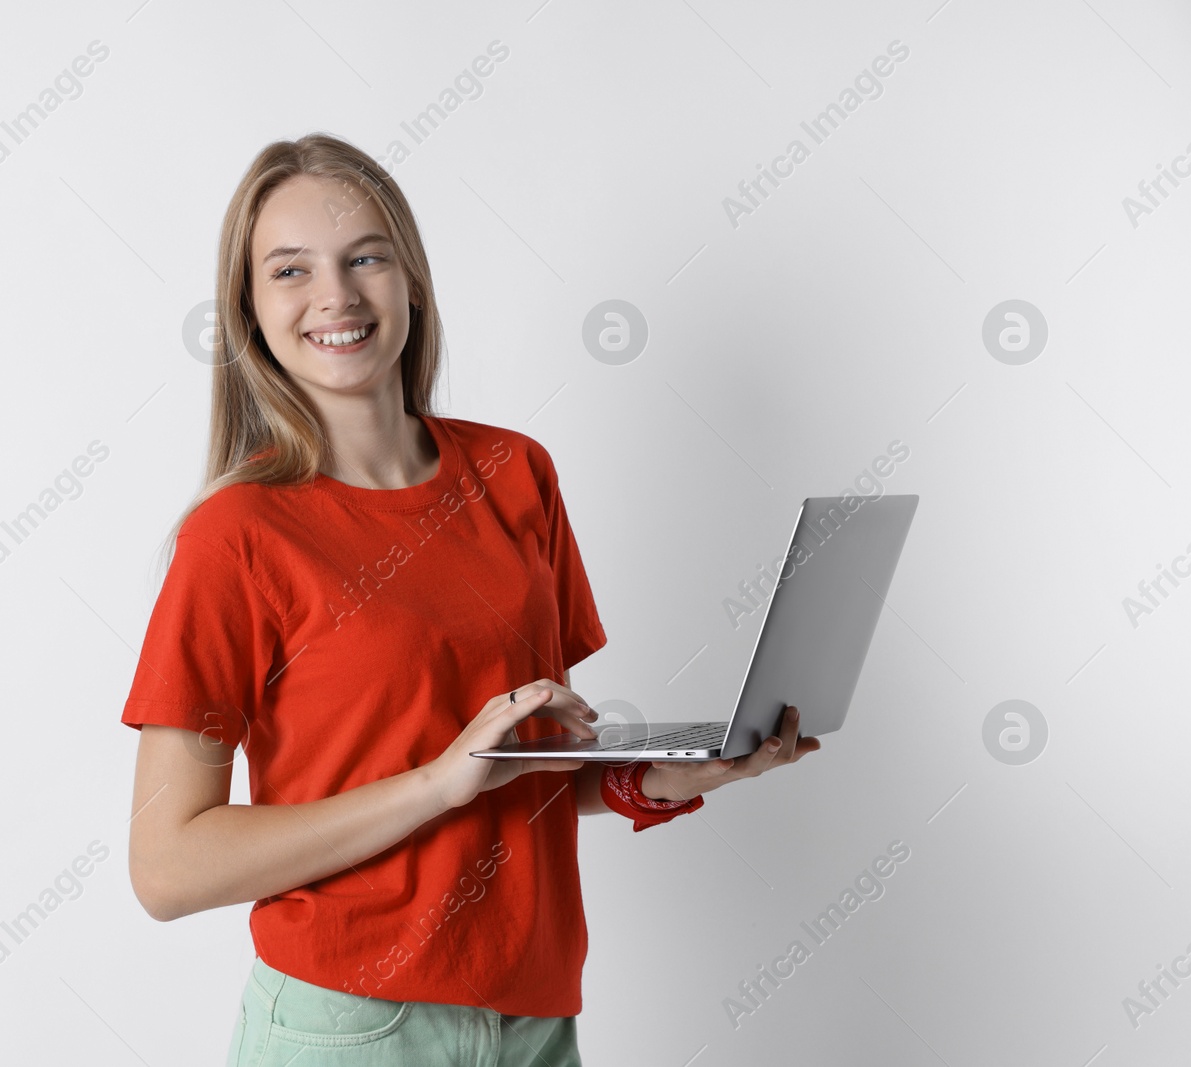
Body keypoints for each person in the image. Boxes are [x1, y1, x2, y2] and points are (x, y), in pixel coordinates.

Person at [120, 132, 819, 1067]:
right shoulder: (237, 536)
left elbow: (518, 772)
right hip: (349, 1026)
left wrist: (657, 779)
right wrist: (434, 782)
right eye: (291, 270)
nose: (336, 295)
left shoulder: (514, 475)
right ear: (250, 308)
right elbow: (167, 867)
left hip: (531, 1017)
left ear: (411, 279)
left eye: (365, 256)